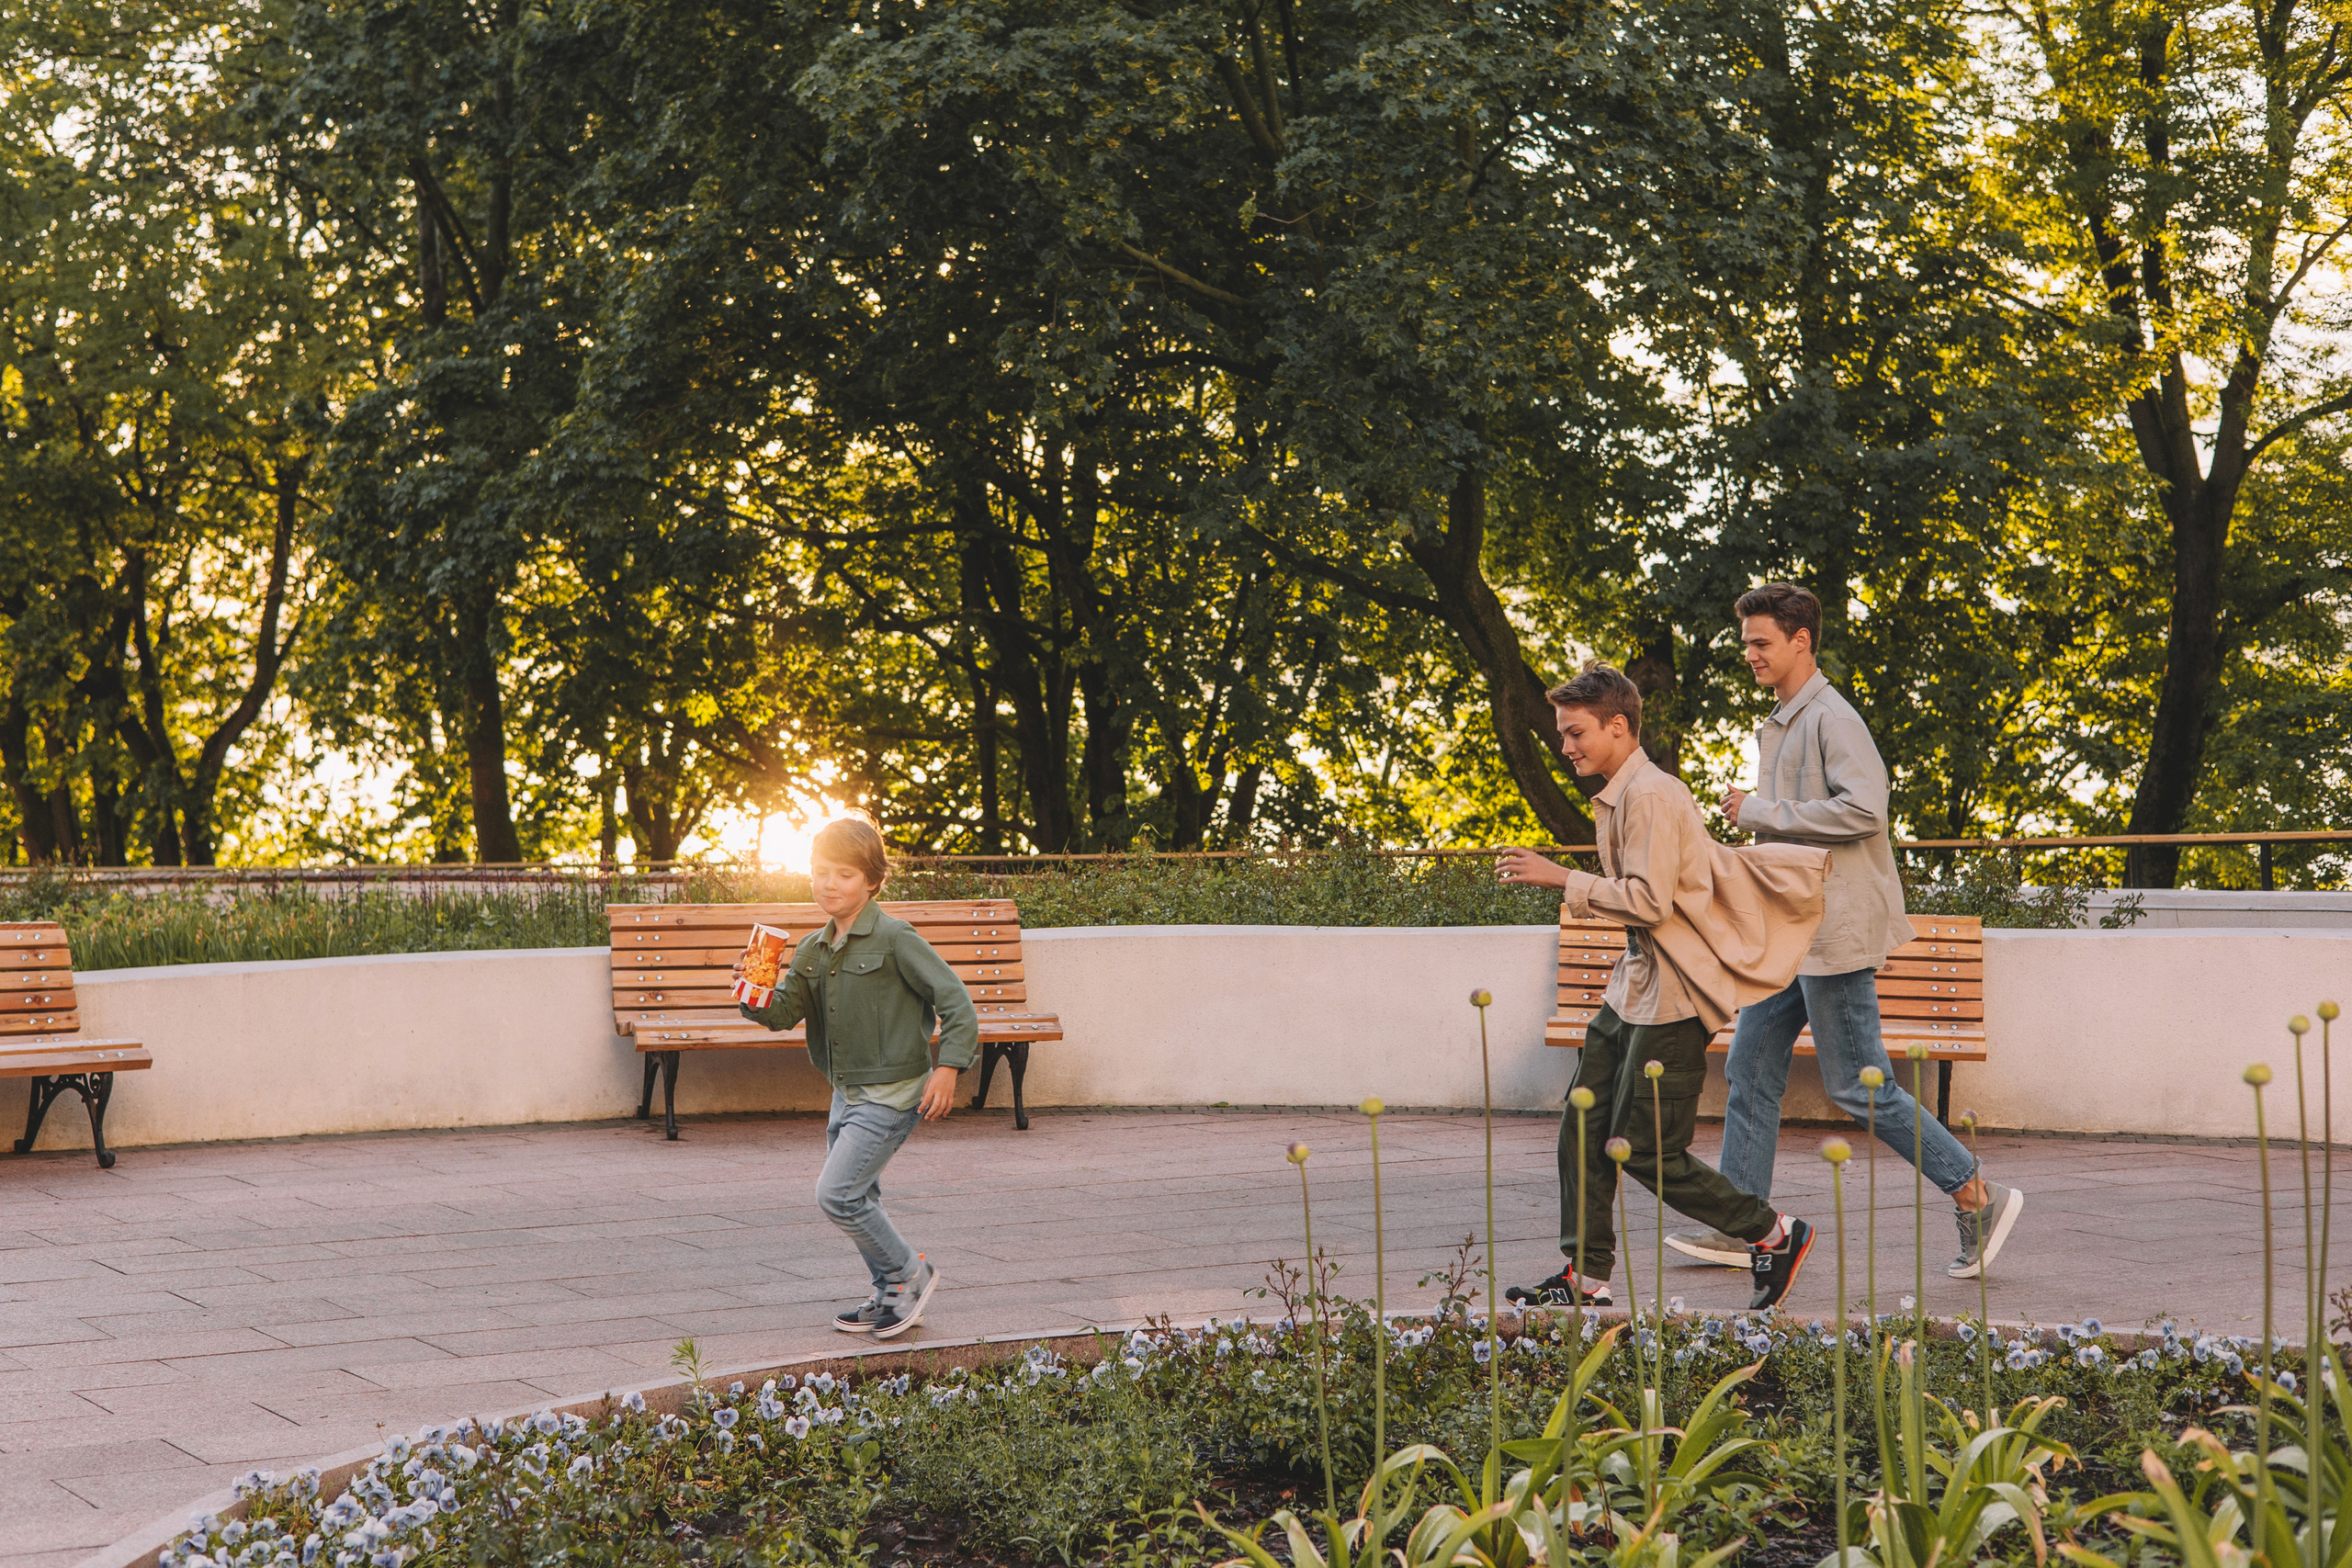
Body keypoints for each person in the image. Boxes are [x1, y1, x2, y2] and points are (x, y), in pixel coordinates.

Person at [1666, 583, 2025, 1280]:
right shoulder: (1787, 719)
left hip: (1832, 933)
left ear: (1802, 641)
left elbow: (1865, 809)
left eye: (1762, 642)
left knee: (1861, 1086)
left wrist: (1763, 810)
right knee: (1751, 1066)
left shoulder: (1832, 717)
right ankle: (1743, 1222)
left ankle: (1976, 1191)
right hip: (1795, 930)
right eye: (1746, 643)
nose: (1751, 655)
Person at [1497, 665, 1833, 1312]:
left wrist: (1559, 878)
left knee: (1648, 1149)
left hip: (1675, 999)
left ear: (1617, 727)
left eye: (1575, 732)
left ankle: (1774, 1233)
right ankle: (1586, 1278)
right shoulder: (1619, 795)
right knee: (1583, 1124)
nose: (1564, 745)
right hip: (1633, 991)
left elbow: (1649, 903)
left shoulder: (1652, 795)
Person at [733, 817, 978, 1338]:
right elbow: (782, 1013)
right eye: (821, 871)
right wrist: (751, 994)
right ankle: (888, 1291)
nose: (829, 883)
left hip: (893, 1096)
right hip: (846, 1093)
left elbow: (956, 1003)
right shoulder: (811, 950)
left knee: (837, 1194)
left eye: (844, 874)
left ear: (872, 880)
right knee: (860, 1196)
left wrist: (950, 1067)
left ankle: (912, 1275)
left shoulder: (895, 938)